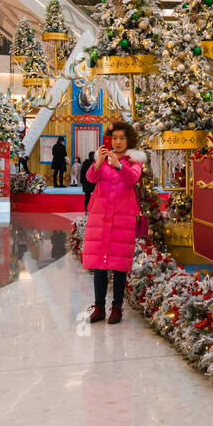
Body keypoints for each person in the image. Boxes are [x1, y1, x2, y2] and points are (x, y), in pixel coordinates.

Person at [83, 122, 146, 324]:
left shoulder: (134, 160)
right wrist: (98, 163)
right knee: (99, 265)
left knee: (119, 266)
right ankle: (99, 306)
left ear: (128, 140)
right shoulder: (102, 159)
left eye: (122, 138)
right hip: (100, 217)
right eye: (115, 138)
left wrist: (119, 166)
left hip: (123, 217)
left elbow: (132, 179)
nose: (118, 142)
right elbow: (90, 178)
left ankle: (117, 307)